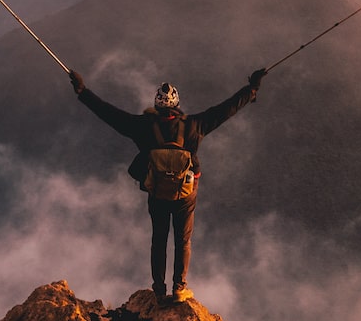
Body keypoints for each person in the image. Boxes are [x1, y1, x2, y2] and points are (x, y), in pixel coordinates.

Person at [69, 67, 267, 304]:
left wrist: (82, 91)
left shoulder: (141, 126)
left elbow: (109, 113)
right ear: (177, 104)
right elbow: (226, 109)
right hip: (186, 193)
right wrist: (251, 89)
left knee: (159, 239)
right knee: (183, 240)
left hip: (157, 193)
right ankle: (180, 288)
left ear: (157, 104)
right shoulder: (195, 125)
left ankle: (160, 291)